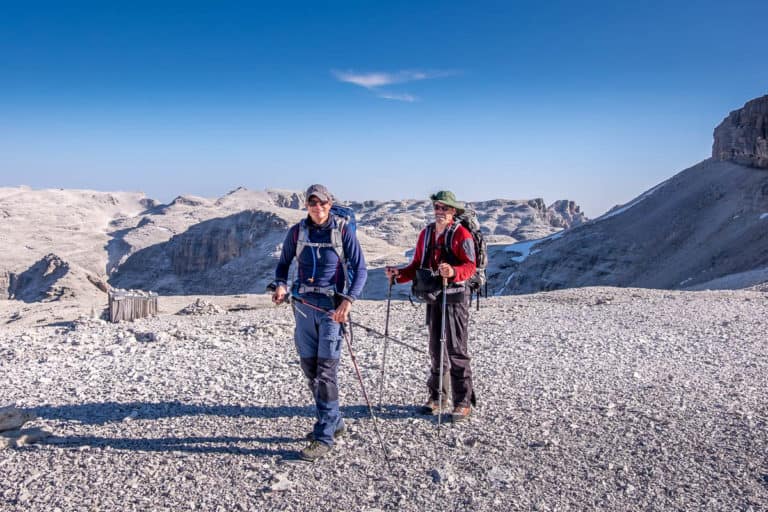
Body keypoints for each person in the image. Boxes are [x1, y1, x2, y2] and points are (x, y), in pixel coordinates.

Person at [272, 184, 368, 461]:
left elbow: (360, 269)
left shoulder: (342, 231)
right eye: (313, 203)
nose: (318, 207)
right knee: (310, 369)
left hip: (332, 310)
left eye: (322, 203)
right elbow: (283, 265)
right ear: (306, 205)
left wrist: (347, 302)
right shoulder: (297, 232)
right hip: (302, 307)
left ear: (329, 203)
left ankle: (324, 435)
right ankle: (334, 421)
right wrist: (281, 286)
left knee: (326, 371)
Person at [385, 190, 477, 422]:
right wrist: (399, 275)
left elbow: (470, 266)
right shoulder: (426, 234)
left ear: (453, 211)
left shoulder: (462, 235)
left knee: (456, 349)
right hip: (434, 296)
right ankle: (437, 398)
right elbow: (417, 264)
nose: (440, 212)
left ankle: (463, 402)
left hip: (455, 298)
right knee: (436, 349)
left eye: (444, 208)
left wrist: (454, 272)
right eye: (437, 207)